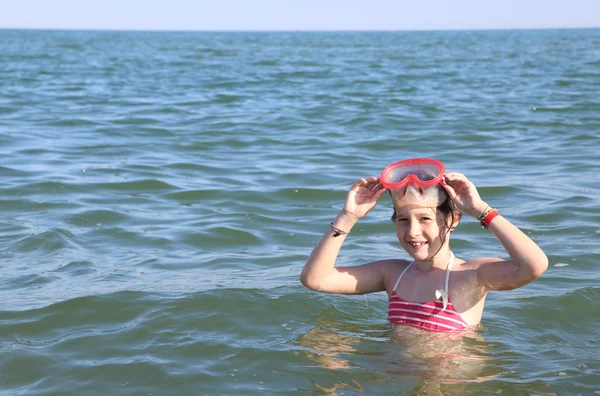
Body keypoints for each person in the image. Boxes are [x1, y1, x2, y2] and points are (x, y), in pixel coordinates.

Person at [300, 159, 548, 332]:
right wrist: (348, 217)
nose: (413, 232)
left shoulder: (472, 275)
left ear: (452, 221)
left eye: (425, 219)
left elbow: (534, 266)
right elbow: (315, 279)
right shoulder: (392, 274)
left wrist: (482, 210)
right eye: (403, 220)